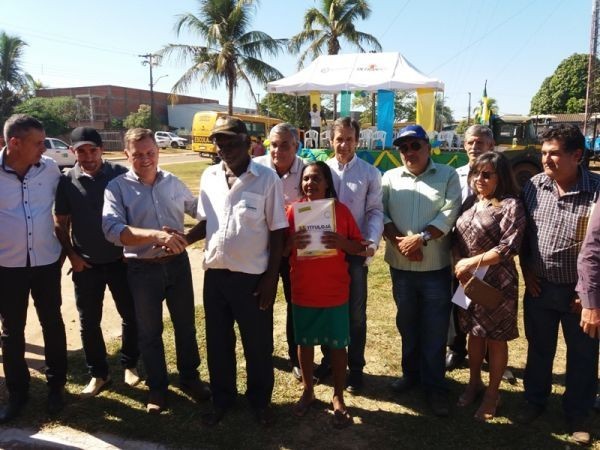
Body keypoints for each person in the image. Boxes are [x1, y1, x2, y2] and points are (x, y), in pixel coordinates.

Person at [185, 116, 287, 426]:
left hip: (252, 278)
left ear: (248, 142)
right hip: (215, 274)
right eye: (219, 141)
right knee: (217, 342)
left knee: (257, 344)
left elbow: (278, 232)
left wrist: (271, 279)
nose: (224, 147)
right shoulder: (209, 176)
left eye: (231, 140)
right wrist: (183, 240)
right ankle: (222, 398)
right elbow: (207, 221)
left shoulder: (267, 179)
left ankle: (260, 401)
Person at [102, 128, 210, 414]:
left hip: (177, 266)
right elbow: (113, 230)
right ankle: (158, 388)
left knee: (186, 326)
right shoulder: (116, 188)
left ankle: (190, 378)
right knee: (149, 333)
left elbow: (202, 213)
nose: (145, 159)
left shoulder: (173, 182)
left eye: (150, 152)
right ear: (126, 155)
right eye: (138, 154)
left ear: (158, 151)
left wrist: (185, 239)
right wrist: (155, 236)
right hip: (141, 270)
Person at [518, 124, 600, 445]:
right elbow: (523, 232)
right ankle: (534, 401)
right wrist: (526, 268)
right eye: (543, 152)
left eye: (554, 153)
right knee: (539, 348)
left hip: (579, 296)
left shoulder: (596, 190)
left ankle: (578, 414)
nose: (546, 159)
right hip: (540, 287)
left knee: (582, 354)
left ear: (576, 155)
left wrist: (587, 293)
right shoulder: (534, 186)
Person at [54, 127, 140, 398]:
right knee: (88, 322)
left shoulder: (120, 175)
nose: (88, 156)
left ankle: (131, 364)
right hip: (86, 265)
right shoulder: (66, 181)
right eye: (81, 150)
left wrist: (129, 250)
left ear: (102, 149)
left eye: (93, 149)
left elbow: (134, 214)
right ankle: (99, 374)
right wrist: (73, 256)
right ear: (73, 152)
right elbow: (61, 223)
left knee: (131, 315)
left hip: (120, 261)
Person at [383, 124, 461, 417]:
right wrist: (401, 242)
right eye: (403, 147)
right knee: (407, 323)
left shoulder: (448, 175)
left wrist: (421, 239)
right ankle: (411, 374)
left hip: (435, 269)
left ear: (428, 147)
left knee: (435, 328)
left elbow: (450, 212)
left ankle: (435, 386)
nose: (409, 152)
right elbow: (382, 212)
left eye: (415, 146)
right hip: (401, 267)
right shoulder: (389, 178)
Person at [0, 114, 68, 422]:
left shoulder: (50, 169)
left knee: (52, 323)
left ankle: (56, 387)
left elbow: (72, 200)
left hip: (45, 262)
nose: (45, 149)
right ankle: (18, 394)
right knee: (12, 332)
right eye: (39, 143)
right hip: (7, 267)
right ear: (15, 143)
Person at [286, 161, 364, 428]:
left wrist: (342, 243)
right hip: (304, 290)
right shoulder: (293, 212)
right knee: (304, 343)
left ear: (327, 182)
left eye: (316, 178)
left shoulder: (340, 212)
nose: (310, 183)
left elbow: (358, 247)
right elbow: (280, 250)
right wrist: (290, 243)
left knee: (338, 346)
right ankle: (308, 390)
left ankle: (338, 396)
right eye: (306, 179)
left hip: (334, 291)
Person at [453, 151, 525, 421]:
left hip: (497, 283)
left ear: (501, 176)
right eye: (476, 173)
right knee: (474, 334)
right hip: (468, 281)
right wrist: (459, 264)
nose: (479, 179)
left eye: (487, 174)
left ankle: (493, 394)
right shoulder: (471, 202)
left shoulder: (510, 205)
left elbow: (508, 247)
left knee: (495, 339)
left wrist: (469, 262)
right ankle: (474, 383)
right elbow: (456, 238)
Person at [319, 117, 383, 393]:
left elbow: (375, 211)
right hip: (322, 254)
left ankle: (355, 369)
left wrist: (370, 243)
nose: (343, 144)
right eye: (339, 139)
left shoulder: (370, 173)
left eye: (349, 139)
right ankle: (328, 361)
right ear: (330, 141)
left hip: (355, 254)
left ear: (358, 141)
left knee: (356, 315)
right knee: (326, 310)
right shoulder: (320, 171)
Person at [255, 123, 305, 380]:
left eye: (285, 144)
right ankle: (262, 352)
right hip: (261, 249)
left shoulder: (308, 170)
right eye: (273, 144)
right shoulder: (256, 168)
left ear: (296, 146)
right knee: (261, 301)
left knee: (294, 303)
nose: (278, 150)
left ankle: (295, 356)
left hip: (295, 250)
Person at [446, 125, 495, 371]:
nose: (475, 147)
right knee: (459, 302)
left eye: (480, 142)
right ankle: (456, 349)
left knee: (488, 303)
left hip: (490, 254)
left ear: (491, 146)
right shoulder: (454, 175)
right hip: (460, 251)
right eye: (470, 142)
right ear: (464, 146)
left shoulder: (499, 175)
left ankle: (491, 355)